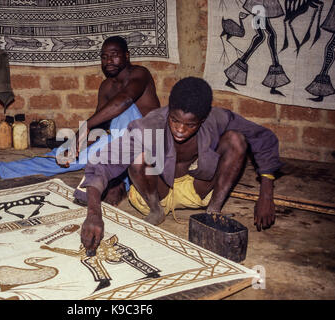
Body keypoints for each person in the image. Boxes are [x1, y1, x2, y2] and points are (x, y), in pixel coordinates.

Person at [80, 77, 284, 253]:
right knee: (138, 153)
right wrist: (94, 213)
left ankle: (213, 213)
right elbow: (102, 163)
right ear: (169, 113)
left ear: (202, 120)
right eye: (175, 121)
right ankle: (156, 211)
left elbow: (263, 137)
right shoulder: (150, 124)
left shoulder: (217, 118)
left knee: (236, 140)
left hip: (196, 188)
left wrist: (266, 191)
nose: (180, 130)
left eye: (190, 125)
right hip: (156, 190)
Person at [0, 36, 161, 194]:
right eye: (104, 56)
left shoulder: (139, 74)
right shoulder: (106, 87)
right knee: (61, 156)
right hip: (120, 143)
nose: (108, 61)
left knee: (123, 110)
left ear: (127, 56)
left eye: (114, 55)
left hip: (150, 142)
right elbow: (100, 125)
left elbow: (125, 101)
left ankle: (118, 182)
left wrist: (82, 131)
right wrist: (74, 145)